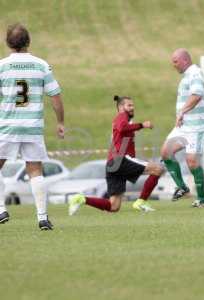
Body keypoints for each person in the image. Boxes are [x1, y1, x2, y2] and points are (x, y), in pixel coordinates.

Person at [0, 24, 64, 230]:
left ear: (8, 43)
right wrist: (61, 122)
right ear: (28, 41)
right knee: (35, 170)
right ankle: (42, 217)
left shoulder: (2, 66)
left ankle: (1, 209)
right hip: (33, 126)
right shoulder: (41, 65)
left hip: (7, 125)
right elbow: (55, 96)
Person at [68, 96, 164, 215]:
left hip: (113, 164)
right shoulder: (121, 116)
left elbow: (123, 134)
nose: (132, 108)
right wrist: (142, 125)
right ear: (120, 108)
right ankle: (141, 202)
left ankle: (80, 199)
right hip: (120, 160)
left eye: (133, 105)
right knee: (158, 169)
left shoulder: (126, 121)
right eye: (129, 105)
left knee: (114, 206)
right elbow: (122, 127)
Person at [160, 49, 204, 208]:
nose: (173, 64)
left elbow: (196, 95)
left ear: (185, 60)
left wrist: (182, 111)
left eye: (175, 61)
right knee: (166, 152)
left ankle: (202, 198)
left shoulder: (195, 73)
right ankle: (182, 187)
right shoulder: (187, 76)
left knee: (192, 161)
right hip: (184, 125)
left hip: (197, 126)